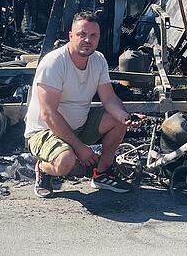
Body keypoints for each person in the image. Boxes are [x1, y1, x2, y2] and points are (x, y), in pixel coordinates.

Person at [23, 11, 141, 198]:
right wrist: (79, 147)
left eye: (93, 36)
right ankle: (43, 168)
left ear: (98, 38)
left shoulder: (98, 60)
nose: (87, 40)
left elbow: (109, 99)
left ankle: (101, 174)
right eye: (82, 35)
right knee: (66, 162)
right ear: (71, 36)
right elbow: (48, 114)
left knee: (117, 121)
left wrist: (125, 117)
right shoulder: (54, 63)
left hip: (80, 124)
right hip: (45, 130)